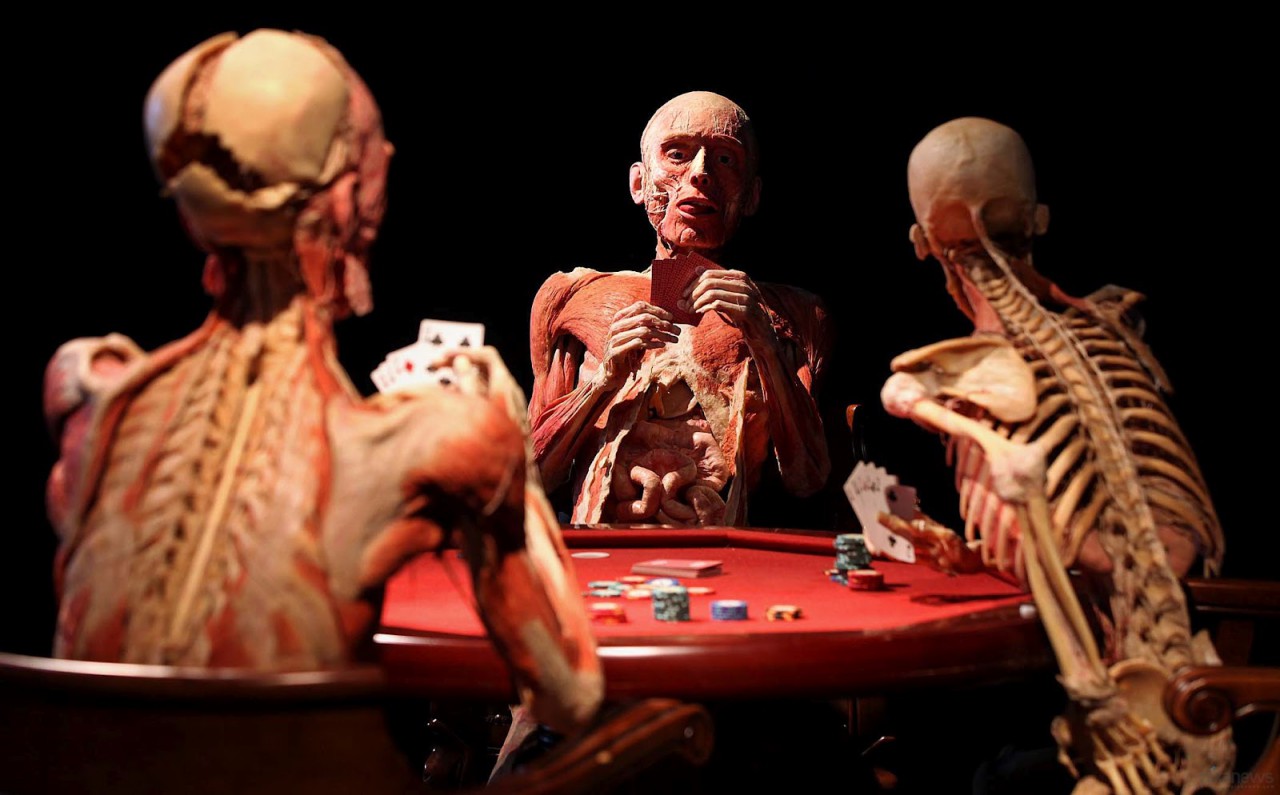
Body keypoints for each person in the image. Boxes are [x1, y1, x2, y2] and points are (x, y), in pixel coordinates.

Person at [42, 29, 599, 733]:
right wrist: (508, 445)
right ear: (345, 202)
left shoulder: (91, 400)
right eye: (374, 159)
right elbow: (568, 693)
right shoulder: (448, 437)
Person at [528, 91, 830, 526]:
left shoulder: (794, 313)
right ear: (639, 183)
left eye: (725, 159)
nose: (701, 173)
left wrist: (764, 342)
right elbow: (533, 477)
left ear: (751, 195)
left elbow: (807, 478)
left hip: (722, 547)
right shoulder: (574, 296)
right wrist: (604, 381)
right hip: (602, 542)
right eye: (677, 154)